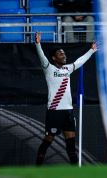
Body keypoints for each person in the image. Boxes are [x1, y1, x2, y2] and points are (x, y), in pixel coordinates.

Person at [35, 30, 100, 166]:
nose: (64, 56)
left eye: (64, 53)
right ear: (53, 58)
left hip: (68, 112)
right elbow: (41, 57)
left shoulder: (67, 69)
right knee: (48, 141)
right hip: (54, 111)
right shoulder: (49, 68)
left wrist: (91, 51)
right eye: (60, 54)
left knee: (71, 143)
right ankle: (37, 168)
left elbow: (80, 61)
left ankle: (75, 172)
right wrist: (38, 44)